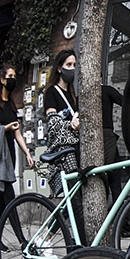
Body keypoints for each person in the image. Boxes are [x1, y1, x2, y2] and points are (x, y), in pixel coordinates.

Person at [0, 66, 34, 234]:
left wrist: (27, 153)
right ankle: (22, 240)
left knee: (2, 199)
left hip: (10, 154)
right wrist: (5, 128)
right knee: (9, 197)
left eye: (14, 75)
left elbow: (18, 134)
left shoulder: (12, 105)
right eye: (10, 76)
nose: (13, 79)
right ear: (3, 80)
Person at [43, 50, 81, 196]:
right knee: (75, 194)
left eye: (74, 65)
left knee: (76, 192)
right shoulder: (52, 92)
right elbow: (53, 123)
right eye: (68, 64)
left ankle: (63, 217)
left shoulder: (73, 95)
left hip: (76, 146)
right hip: (64, 150)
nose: (72, 68)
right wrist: (70, 125)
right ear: (59, 68)